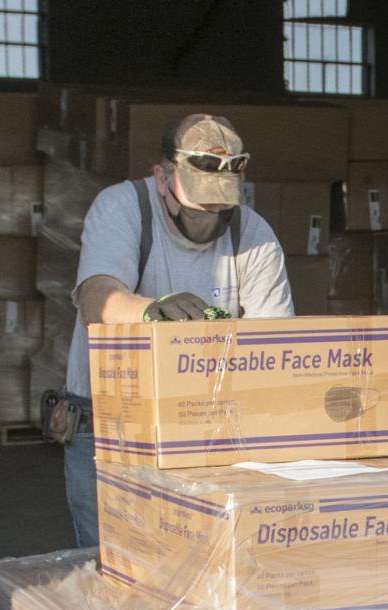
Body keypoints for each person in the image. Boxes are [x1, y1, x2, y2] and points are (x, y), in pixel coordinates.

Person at [64, 114, 294, 546]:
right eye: (196, 209)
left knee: (199, 561)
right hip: (111, 422)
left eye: (220, 211)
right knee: (112, 564)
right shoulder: (122, 207)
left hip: (206, 424)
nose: (208, 222)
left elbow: (274, 344)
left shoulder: (253, 233)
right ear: (163, 177)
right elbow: (96, 299)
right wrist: (152, 313)